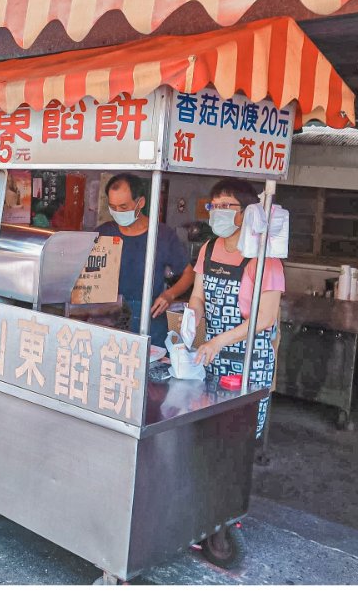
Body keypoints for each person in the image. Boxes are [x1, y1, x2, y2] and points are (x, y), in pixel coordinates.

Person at [189, 177, 285, 440]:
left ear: (246, 213)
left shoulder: (265, 258)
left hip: (249, 362)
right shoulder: (208, 249)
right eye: (214, 206)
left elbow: (264, 319)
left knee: (238, 436)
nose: (217, 211)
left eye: (226, 206)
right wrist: (192, 318)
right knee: (209, 430)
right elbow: (198, 297)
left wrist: (220, 341)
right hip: (212, 357)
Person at [96, 173, 194, 347]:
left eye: (124, 206)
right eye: (113, 207)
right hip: (108, 318)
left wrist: (169, 295)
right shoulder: (103, 233)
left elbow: (188, 273)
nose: (118, 212)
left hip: (150, 318)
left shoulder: (162, 235)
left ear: (140, 203)